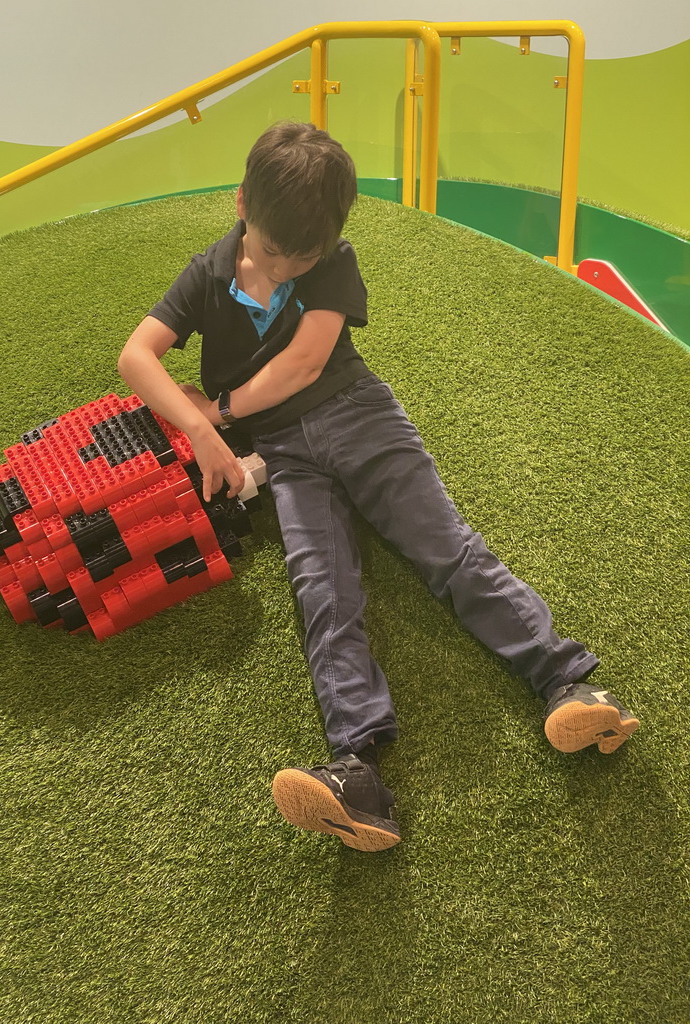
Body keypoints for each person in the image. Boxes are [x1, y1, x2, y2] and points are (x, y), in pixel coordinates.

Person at [118, 121, 640, 853]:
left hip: (359, 417)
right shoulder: (207, 273)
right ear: (242, 205)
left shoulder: (333, 262)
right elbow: (136, 357)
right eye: (275, 252)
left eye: (308, 257)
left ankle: (571, 685)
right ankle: (356, 774)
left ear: (332, 239)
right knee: (322, 592)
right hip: (286, 457)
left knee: (446, 551)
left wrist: (222, 410)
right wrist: (201, 433)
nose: (291, 268)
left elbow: (303, 367)